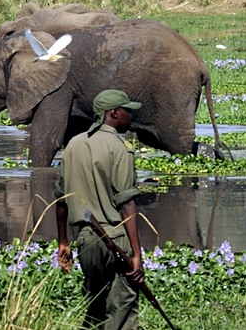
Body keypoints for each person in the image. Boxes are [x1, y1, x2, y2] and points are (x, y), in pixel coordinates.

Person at [54, 89, 145, 329]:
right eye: (127, 111)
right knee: (123, 307)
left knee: (95, 305)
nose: (130, 116)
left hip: (86, 241)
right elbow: (126, 203)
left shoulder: (73, 145)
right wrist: (136, 254)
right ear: (113, 113)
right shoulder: (120, 148)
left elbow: (61, 200)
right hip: (115, 236)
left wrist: (63, 242)